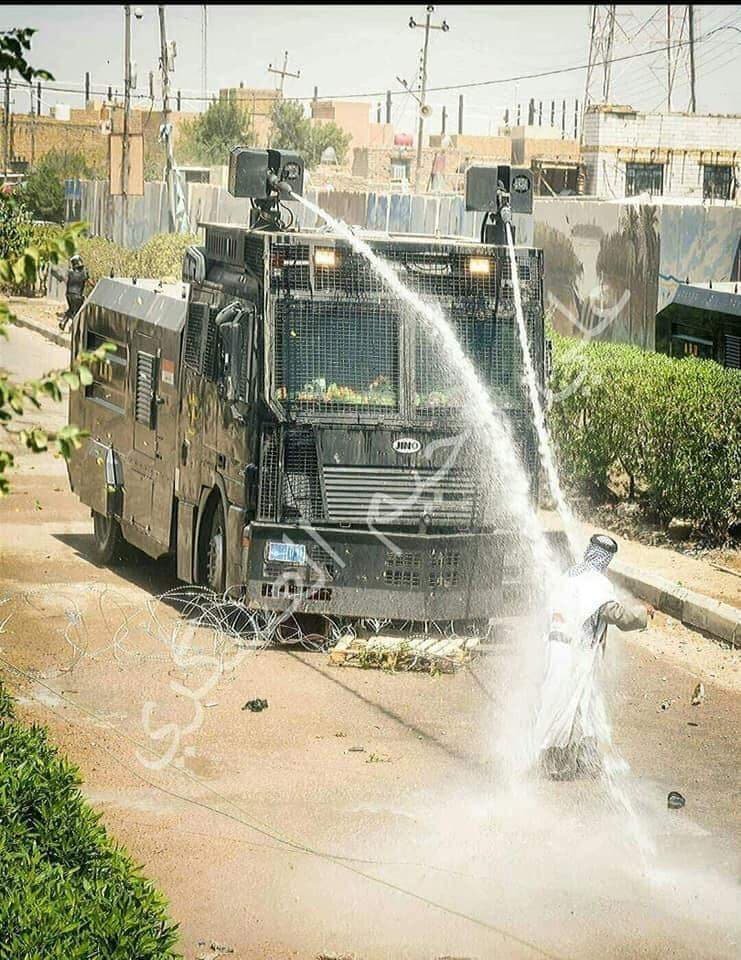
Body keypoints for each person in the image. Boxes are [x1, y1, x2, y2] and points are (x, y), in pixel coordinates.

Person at [534, 533, 653, 781]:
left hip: (554, 647)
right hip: (575, 655)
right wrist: (643, 613)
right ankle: (554, 764)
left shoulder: (570, 575)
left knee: (568, 705)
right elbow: (619, 616)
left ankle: (580, 761)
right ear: (606, 560)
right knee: (571, 706)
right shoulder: (596, 584)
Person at [58, 254, 89, 331]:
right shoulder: (83, 272)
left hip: (68, 294)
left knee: (71, 309)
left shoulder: (70, 272)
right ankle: (73, 327)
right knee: (77, 312)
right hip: (77, 295)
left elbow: (66, 280)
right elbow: (88, 281)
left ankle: (63, 322)